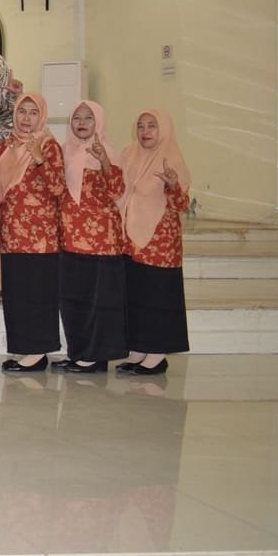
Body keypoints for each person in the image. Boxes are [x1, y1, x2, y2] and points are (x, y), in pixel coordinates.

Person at [0, 92, 65, 372]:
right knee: (16, 295)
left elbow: (57, 188)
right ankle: (23, 348)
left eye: (34, 113)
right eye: (22, 111)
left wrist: (39, 160)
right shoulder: (5, 146)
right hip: (11, 233)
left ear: (42, 116)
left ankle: (38, 353)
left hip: (39, 237)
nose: (26, 118)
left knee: (37, 294)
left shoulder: (48, 146)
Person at [118, 109, 190, 376]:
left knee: (156, 298)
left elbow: (182, 204)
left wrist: (172, 184)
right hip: (130, 240)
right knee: (135, 296)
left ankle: (157, 355)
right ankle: (138, 349)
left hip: (159, 242)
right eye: (141, 126)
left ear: (164, 130)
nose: (145, 131)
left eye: (152, 126)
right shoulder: (129, 154)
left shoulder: (172, 158)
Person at [57, 100, 127, 373]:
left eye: (89, 118)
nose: (82, 123)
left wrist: (104, 161)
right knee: (74, 300)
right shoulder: (64, 151)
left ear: (99, 122)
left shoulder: (109, 152)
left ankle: (95, 356)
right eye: (77, 117)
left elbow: (117, 190)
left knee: (98, 302)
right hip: (70, 238)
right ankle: (78, 352)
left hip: (101, 242)